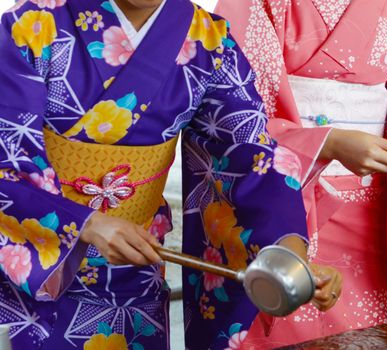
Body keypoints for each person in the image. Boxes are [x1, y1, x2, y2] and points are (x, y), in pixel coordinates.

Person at [0, 0, 343, 348]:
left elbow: (250, 155)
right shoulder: (31, 26)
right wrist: (86, 223)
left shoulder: (210, 42)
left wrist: (289, 253)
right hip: (35, 268)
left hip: (137, 266)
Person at [215, 0, 387, 347]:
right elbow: (231, 107)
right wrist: (327, 143)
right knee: (279, 314)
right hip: (282, 201)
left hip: (368, 213)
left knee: (363, 337)